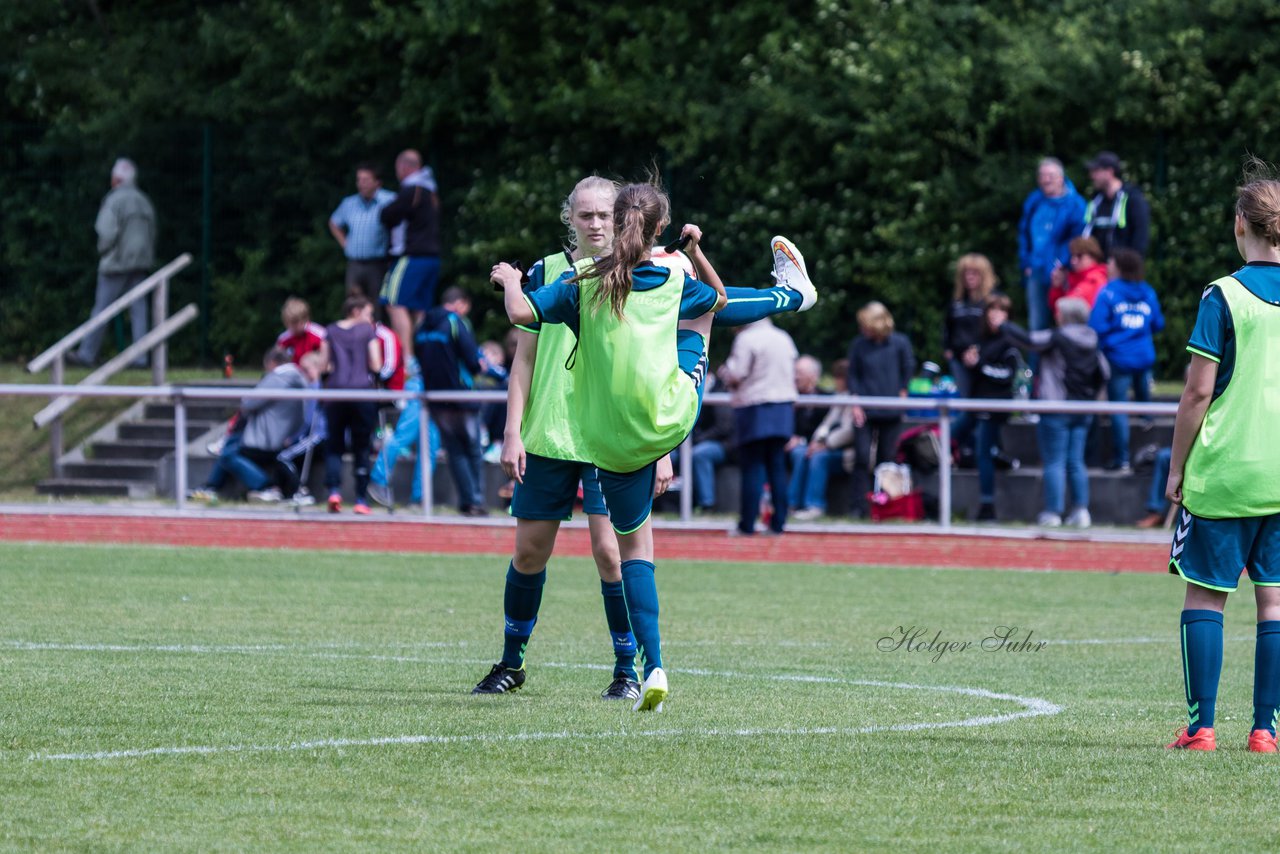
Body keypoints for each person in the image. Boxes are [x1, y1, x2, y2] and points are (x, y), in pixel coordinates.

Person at [495, 179, 816, 713]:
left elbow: (522, 314)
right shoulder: (621, 274)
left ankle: (630, 668)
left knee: (617, 554)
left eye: (605, 214)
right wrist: (696, 253)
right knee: (581, 551)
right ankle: (622, 665)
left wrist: (507, 281)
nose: (595, 223)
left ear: (620, 223)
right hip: (609, 429)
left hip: (613, 436)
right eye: (585, 214)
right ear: (570, 219)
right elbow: (719, 301)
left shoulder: (594, 282)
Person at [1163, 160, 1280, 753]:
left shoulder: (1223, 295)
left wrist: (1177, 466)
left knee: (1206, 595)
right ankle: (1265, 730)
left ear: (1241, 226)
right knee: (1275, 599)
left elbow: (1197, 392)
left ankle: (1201, 727)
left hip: (1225, 471)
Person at [1001, 297, 1109, 528]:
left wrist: (1004, 324)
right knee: (1076, 461)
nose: (1055, 315)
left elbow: (1027, 340)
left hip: (1056, 407)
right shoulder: (1092, 339)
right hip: (1083, 409)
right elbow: (1104, 372)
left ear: (1066, 315)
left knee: (1054, 462)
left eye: (1059, 312)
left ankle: (1053, 512)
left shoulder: (1057, 337)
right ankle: (1081, 511)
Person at [188, 347, 307, 502]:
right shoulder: (298, 379)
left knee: (228, 455)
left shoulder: (278, 378)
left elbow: (249, 402)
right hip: (282, 437)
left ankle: (266, 486)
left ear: (271, 363)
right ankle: (211, 487)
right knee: (229, 447)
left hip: (266, 440)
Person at [71, 158, 157, 368]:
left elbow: (106, 233)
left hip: (116, 264)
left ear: (116, 179)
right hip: (141, 263)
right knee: (139, 312)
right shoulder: (144, 201)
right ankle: (141, 358)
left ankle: (87, 354)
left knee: (101, 310)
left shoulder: (114, 200)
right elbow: (153, 232)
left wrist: (104, 251)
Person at [719, 319, 798, 535]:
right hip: (783, 407)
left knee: (753, 468)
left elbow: (737, 373)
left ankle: (747, 524)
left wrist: (724, 372)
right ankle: (779, 523)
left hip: (755, 407)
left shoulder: (746, 339)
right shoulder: (784, 337)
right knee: (777, 467)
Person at [1090, 248, 1165, 473]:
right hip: (1143, 356)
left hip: (1118, 359)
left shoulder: (1108, 293)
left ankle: (1121, 459)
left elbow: (1096, 327)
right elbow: (1158, 323)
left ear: (1119, 267)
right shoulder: (1148, 292)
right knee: (1143, 398)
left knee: (1118, 409)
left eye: (1110, 262)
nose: (1107, 266)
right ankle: (1146, 420)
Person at [417, 286, 488, 517]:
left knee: (455, 451)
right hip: (462, 395)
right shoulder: (456, 322)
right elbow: (472, 358)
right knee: (473, 450)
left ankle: (467, 501)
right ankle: (475, 501)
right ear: (460, 303)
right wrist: (480, 367)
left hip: (436, 398)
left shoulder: (423, 324)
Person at [951, 294, 1020, 521]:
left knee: (982, 450)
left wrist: (979, 365)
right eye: (991, 310)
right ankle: (996, 455)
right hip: (976, 402)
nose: (994, 315)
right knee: (950, 437)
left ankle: (987, 505)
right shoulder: (980, 339)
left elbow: (1006, 376)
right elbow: (977, 370)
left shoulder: (1010, 341)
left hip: (995, 405)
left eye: (1000, 311)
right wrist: (970, 362)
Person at [846, 301, 915, 519]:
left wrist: (903, 393)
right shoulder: (859, 345)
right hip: (865, 410)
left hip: (891, 409)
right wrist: (855, 402)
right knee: (862, 458)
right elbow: (853, 376)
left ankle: (887, 506)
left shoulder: (900, 343)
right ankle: (859, 506)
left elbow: (907, 369)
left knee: (888, 458)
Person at [320, 294, 382, 514]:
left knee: (334, 445)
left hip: (335, 394)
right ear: (356, 311)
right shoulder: (367, 331)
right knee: (362, 446)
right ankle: (360, 499)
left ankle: (334, 491)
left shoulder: (330, 330)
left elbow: (323, 365)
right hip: (362, 394)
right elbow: (376, 363)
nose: (371, 318)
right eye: (368, 313)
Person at [380, 149, 441, 360]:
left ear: (405, 167)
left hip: (411, 257)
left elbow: (387, 215)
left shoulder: (411, 190)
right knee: (419, 308)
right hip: (432, 258)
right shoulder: (431, 191)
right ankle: (422, 354)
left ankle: (406, 359)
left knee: (394, 302)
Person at [1017, 157, 1086, 332]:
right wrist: (1025, 261)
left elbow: (1077, 240)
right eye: (1042, 175)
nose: (1046, 179)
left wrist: (1064, 266)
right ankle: (1037, 361)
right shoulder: (1034, 200)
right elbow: (1024, 232)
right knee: (1036, 324)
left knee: (1064, 322)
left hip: (1061, 272)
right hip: (1036, 269)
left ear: (1061, 178)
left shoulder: (1076, 204)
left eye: (1051, 175)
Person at [328, 162, 397, 300]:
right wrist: (345, 243)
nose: (361, 183)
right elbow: (334, 223)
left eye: (365, 180)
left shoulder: (389, 200)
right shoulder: (349, 203)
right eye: (358, 179)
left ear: (377, 182)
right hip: (355, 264)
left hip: (378, 263)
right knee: (353, 304)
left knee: (378, 304)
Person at [943, 253, 997, 398]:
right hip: (958, 359)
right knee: (965, 400)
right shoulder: (957, 302)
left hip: (984, 358)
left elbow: (996, 331)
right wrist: (947, 349)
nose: (969, 277)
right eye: (966, 273)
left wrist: (977, 350)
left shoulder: (991, 301)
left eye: (974, 273)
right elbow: (948, 326)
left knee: (982, 399)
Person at [1083, 151, 1151, 258]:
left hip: (1124, 269)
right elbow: (1088, 234)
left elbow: (1140, 238)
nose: (1092, 176)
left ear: (1109, 172)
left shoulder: (1133, 198)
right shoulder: (1096, 201)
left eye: (1096, 171)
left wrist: (1129, 268)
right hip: (1099, 271)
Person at [1048, 236, 1108, 314]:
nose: (1074, 261)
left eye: (1079, 256)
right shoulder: (1074, 279)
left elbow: (1065, 312)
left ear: (1093, 256)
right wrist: (1057, 287)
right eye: (1072, 256)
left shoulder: (1095, 280)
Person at [275, 297, 327, 364]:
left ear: (306, 319)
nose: (294, 327)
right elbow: (276, 361)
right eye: (290, 323)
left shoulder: (319, 335)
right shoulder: (283, 339)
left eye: (296, 322)